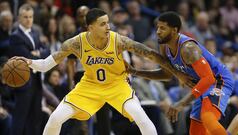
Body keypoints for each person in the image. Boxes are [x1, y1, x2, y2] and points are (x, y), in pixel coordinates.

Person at [14, 8, 193, 135]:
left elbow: (152, 55)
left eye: (108, 23)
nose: (108, 27)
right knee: (54, 119)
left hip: (117, 86)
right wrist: (29, 62)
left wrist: (178, 73)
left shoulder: (119, 41)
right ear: (90, 27)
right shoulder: (75, 43)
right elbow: (46, 65)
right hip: (89, 86)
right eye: (102, 24)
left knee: (142, 118)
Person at [126, 11, 234, 135]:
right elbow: (166, 75)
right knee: (195, 130)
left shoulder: (188, 49)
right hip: (202, 84)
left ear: (174, 30)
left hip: (218, 80)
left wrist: (181, 103)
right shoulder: (164, 46)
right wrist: (135, 71)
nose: (158, 31)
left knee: (208, 118)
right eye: (157, 27)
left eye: (162, 28)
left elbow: (209, 79)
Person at [8, 4, 50, 135]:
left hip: (36, 82)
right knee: (20, 119)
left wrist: (38, 54)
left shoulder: (35, 34)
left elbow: (47, 51)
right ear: (19, 18)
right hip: (23, 83)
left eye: (31, 17)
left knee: (35, 119)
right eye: (25, 17)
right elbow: (26, 58)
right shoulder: (15, 36)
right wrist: (37, 54)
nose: (28, 20)